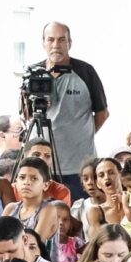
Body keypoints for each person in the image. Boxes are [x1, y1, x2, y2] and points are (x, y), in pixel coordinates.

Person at [31, 21, 109, 181]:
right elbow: (26, 115)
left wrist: (82, 135)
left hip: (80, 167)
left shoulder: (85, 71)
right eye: (50, 39)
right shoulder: (33, 73)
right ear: (43, 43)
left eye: (61, 40)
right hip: (42, 166)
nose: (56, 45)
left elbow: (102, 113)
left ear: (70, 43)